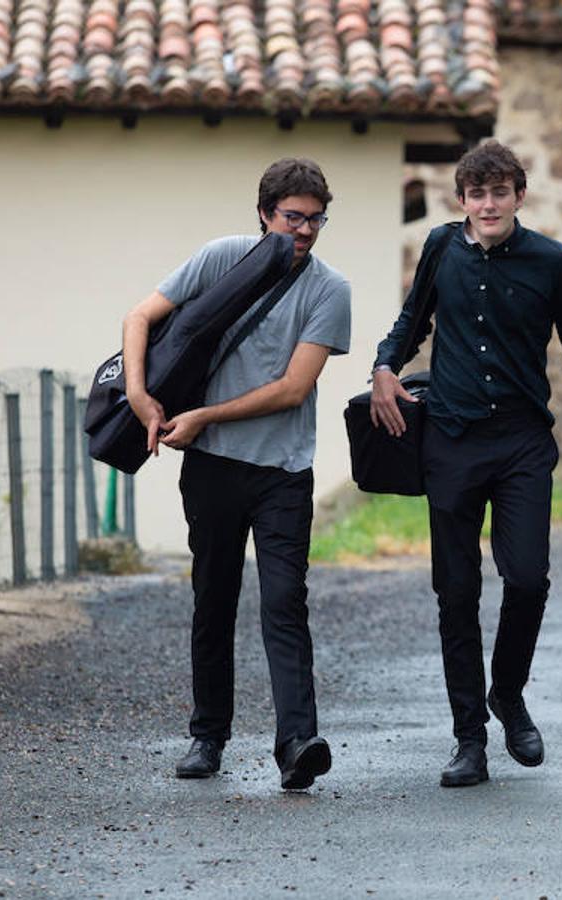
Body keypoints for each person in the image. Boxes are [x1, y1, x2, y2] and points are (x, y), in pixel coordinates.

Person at [369, 141, 562, 787]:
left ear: (518, 196)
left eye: (499, 192)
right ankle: (469, 740)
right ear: (463, 199)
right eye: (476, 194)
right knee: (456, 593)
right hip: (449, 439)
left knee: (528, 579)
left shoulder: (554, 263)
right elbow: (411, 322)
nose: (487, 204)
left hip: (521, 443)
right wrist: (383, 368)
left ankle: (507, 693)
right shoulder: (440, 249)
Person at [121, 158, 350, 791]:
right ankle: (207, 737)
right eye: (292, 217)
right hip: (213, 467)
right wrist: (140, 396)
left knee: (284, 603)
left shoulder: (330, 290)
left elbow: (292, 388)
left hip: (282, 471)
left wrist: (201, 415)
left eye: (315, 219)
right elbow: (140, 317)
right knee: (213, 597)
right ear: (264, 215)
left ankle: (297, 743)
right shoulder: (222, 257)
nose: (304, 230)